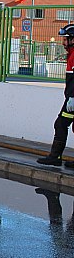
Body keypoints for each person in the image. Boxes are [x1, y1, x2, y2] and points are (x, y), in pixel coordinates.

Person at [38, 24, 74, 167]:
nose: (63, 42)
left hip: (73, 99)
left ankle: (55, 157)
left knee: (60, 124)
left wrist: (72, 97)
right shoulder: (71, 54)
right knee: (62, 124)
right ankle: (55, 156)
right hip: (71, 98)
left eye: (66, 39)